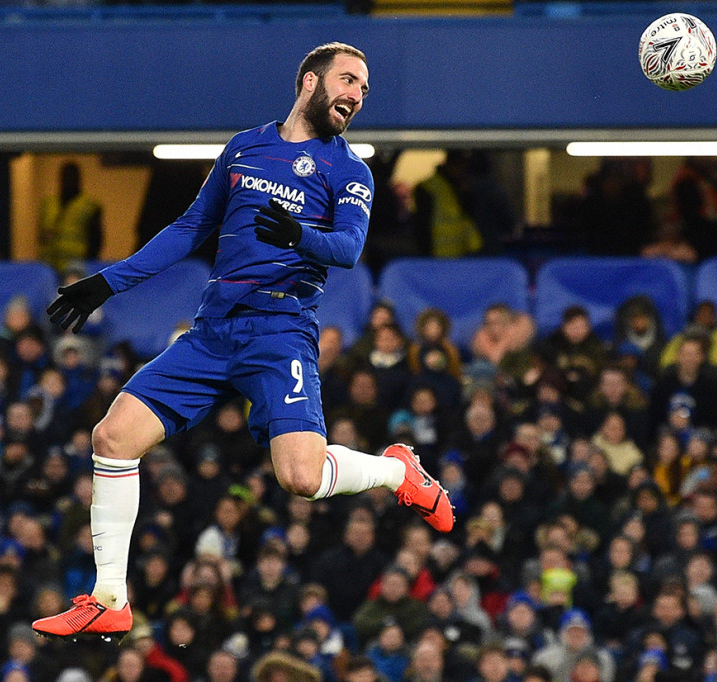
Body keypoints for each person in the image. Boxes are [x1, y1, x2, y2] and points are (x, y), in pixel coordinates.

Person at [31, 42, 454, 643]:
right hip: (214, 328)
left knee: (301, 479)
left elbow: (349, 249)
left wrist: (299, 234)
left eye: (364, 88)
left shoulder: (349, 171)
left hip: (281, 332)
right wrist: (108, 282)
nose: (357, 96)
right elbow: (191, 228)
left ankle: (395, 471)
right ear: (309, 81)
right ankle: (109, 599)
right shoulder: (245, 147)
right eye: (348, 81)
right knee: (113, 436)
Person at [38, 162, 103, 272]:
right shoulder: (48, 204)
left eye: (71, 177)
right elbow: (41, 234)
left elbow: (96, 240)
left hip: (77, 267)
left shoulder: (89, 206)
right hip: (49, 266)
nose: (68, 180)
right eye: (65, 176)